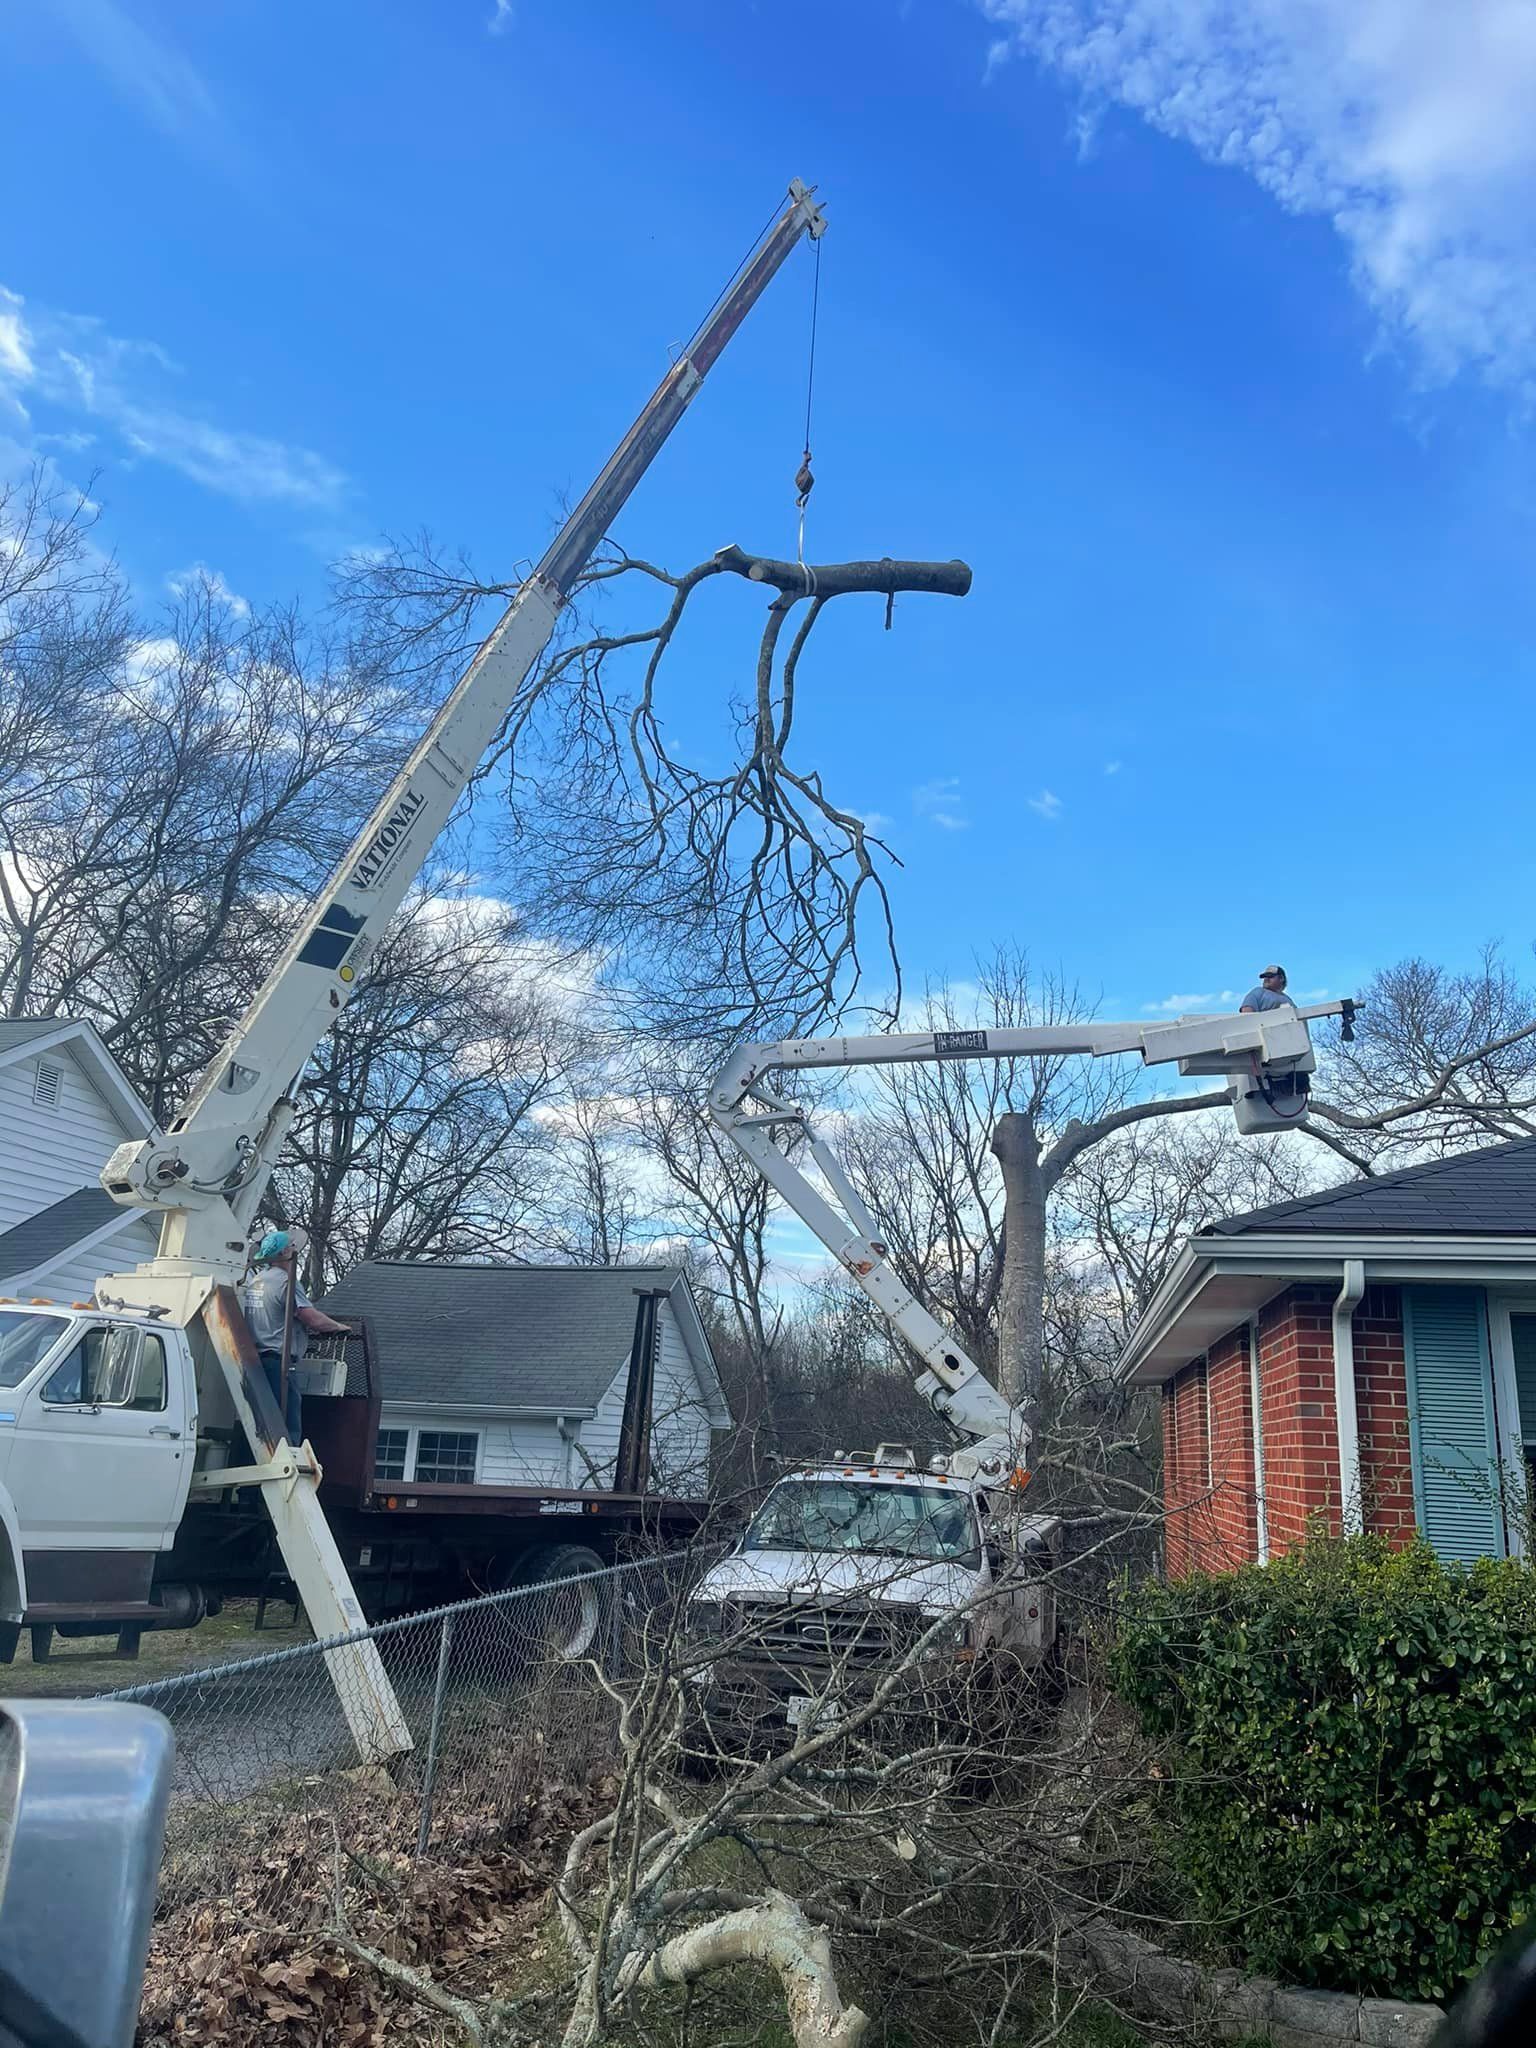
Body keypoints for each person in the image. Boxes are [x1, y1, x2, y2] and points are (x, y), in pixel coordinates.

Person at [241, 1229, 351, 1443]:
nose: (295, 1250)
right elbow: (311, 1318)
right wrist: (338, 1327)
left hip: (256, 1362)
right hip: (278, 1363)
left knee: (262, 1422)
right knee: (287, 1425)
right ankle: (286, 1459)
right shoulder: (286, 1282)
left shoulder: (257, 1280)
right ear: (284, 1253)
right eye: (292, 1246)